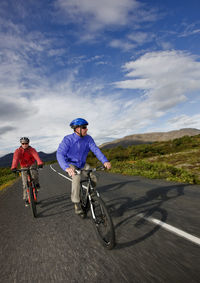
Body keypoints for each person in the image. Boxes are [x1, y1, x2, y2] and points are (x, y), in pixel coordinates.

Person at [56, 118, 111, 215]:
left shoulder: (88, 138)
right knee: (76, 179)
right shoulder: (68, 139)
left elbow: (96, 150)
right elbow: (60, 154)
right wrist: (67, 168)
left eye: (86, 127)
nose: (87, 129)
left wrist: (105, 161)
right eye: (84, 127)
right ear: (77, 129)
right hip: (71, 164)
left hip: (82, 164)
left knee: (94, 176)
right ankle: (77, 204)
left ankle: (91, 194)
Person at [11, 137, 43, 207]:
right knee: (25, 183)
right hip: (23, 166)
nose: (25, 145)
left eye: (26, 143)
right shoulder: (18, 151)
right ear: (21, 144)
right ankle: (26, 199)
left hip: (32, 164)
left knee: (34, 174)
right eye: (23, 143)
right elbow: (15, 159)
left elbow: (36, 156)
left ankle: (37, 184)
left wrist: (40, 163)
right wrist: (14, 167)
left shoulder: (32, 149)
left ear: (28, 143)